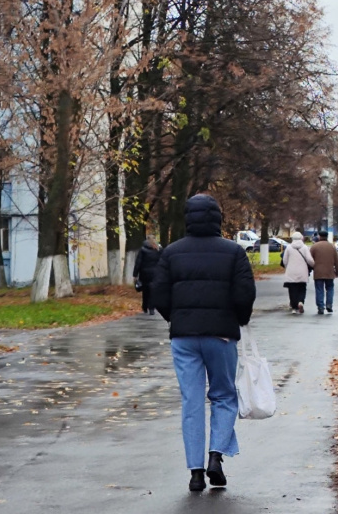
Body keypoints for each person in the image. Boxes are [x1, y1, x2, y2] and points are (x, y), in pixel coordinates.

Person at [151, 194, 256, 492]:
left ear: (187, 218)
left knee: (192, 401)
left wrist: (177, 319)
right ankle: (215, 456)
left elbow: (158, 293)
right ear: (218, 219)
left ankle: (195, 472)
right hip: (221, 336)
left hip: (184, 338)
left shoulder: (171, 252)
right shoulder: (234, 252)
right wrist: (238, 319)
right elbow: (244, 293)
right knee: (223, 395)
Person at [308, 231, 338, 315]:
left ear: (319, 236)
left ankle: (320, 307)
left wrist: (310, 268)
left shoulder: (314, 247)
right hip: (329, 272)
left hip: (318, 272)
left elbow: (309, 259)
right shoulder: (332, 247)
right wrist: (337, 271)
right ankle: (329, 304)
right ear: (327, 236)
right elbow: (337, 261)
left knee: (319, 289)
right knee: (330, 288)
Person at [281, 231, 315, 314]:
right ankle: (301, 302)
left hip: (291, 272)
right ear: (301, 238)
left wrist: (288, 267)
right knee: (302, 288)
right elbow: (309, 260)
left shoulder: (289, 248)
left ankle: (294, 307)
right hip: (302, 272)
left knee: (292, 290)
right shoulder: (304, 247)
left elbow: (285, 260)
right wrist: (313, 265)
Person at [131, 237, 160, 314]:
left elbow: (138, 263)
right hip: (155, 274)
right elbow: (162, 262)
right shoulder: (158, 249)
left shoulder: (142, 250)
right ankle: (151, 308)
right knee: (153, 290)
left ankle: (144, 307)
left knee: (145, 291)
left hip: (144, 274)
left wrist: (135, 274)